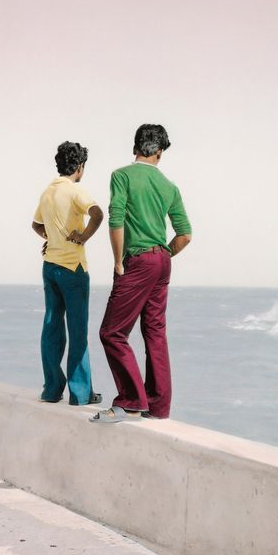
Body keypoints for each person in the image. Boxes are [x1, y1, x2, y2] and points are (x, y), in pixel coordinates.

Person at [92, 124, 192, 423]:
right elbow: (185, 235)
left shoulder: (122, 176)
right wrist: (163, 255)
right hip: (162, 260)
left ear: (135, 147)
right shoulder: (169, 186)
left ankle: (132, 400)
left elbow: (116, 219)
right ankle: (158, 406)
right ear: (160, 152)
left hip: (137, 262)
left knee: (112, 332)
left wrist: (118, 261)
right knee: (155, 332)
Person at [32, 141, 103, 405]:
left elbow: (36, 224)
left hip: (50, 267)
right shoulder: (75, 191)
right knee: (77, 331)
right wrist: (82, 237)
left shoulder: (47, 192)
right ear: (79, 166)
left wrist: (51, 238)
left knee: (52, 327)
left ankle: (52, 389)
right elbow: (97, 214)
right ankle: (81, 394)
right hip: (73, 269)